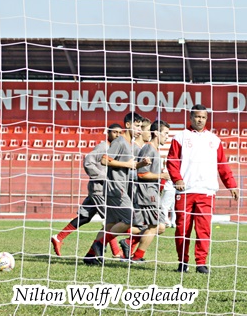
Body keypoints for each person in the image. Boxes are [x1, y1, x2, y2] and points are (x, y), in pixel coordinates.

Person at [167, 104, 240, 274]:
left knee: (203, 229)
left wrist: (232, 185)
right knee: (182, 228)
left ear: (207, 119)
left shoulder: (214, 140)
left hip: (206, 191)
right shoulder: (180, 137)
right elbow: (172, 161)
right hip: (185, 191)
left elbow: (223, 165)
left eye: (203, 117)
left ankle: (201, 263)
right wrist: (177, 179)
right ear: (191, 117)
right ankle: (182, 262)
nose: (199, 120)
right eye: (197, 117)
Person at [83, 112, 150, 265]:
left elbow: (127, 166)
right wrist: (127, 164)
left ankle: (90, 256)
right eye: (137, 126)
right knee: (131, 218)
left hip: (120, 186)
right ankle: (100, 244)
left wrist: (140, 165)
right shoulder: (119, 142)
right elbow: (105, 160)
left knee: (110, 225)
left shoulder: (129, 145)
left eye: (141, 126)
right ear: (127, 125)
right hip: (115, 187)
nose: (139, 129)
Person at [51, 123, 123, 256]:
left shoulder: (114, 149)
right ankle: (117, 252)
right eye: (115, 132)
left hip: (100, 190)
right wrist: (103, 177)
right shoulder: (103, 147)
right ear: (108, 133)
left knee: (84, 217)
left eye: (120, 133)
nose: (117, 135)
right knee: (112, 219)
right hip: (99, 189)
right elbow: (88, 162)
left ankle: (58, 237)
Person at [120, 120, 171, 262]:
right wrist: (162, 175)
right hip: (148, 194)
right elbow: (142, 174)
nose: (167, 137)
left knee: (159, 227)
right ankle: (136, 256)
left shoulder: (154, 150)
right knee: (155, 226)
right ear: (156, 133)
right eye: (166, 133)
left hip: (151, 193)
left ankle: (128, 243)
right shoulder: (148, 149)